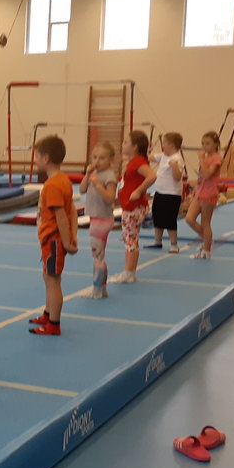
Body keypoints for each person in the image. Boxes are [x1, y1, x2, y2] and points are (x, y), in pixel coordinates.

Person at [28, 136, 78, 335]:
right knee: (47, 277)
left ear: (46, 158)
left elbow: (62, 217)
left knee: (53, 280)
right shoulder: (63, 180)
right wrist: (73, 235)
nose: (35, 161)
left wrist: (67, 242)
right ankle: (48, 313)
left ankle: (54, 324)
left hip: (54, 240)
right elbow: (72, 210)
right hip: (50, 239)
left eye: (37, 156)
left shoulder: (53, 185)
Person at [110, 130, 157, 284]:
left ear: (135, 147)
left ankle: (128, 272)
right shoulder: (134, 161)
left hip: (134, 207)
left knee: (130, 239)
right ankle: (130, 272)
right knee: (131, 239)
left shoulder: (138, 162)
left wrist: (138, 191)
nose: (122, 144)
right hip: (132, 205)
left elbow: (152, 176)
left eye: (126, 142)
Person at [78, 142, 118, 299]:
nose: (97, 161)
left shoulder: (109, 176)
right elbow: (81, 189)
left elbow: (110, 198)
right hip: (95, 218)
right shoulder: (94, 173)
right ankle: (102, 288)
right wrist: (88, 175)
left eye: (102, 158)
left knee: (97, 256)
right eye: (94, 157)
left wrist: (97, 184)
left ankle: (97, 290)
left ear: (110, 160)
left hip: (102, 220)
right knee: (99, 255)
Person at [186, 131, 224, 259]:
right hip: (200, 191)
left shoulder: (216, 159)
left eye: (207, 143)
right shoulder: (206, 158)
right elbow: (202, 176)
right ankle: (207, 240)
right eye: (203, 144)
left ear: (216, 145)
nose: (204, 146)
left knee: (205, 223)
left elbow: (208, 174)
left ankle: (206, 251)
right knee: (189, 219)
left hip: (209, 193)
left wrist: (201, 159)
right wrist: (195, 185)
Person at [147, 132, 185, 253]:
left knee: (170, 220)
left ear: (171, 145)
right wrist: (146, 150)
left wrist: (174, 166)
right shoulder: (163, 156)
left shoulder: (177, 159)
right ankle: (157, 241)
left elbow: (177, 177)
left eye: (164, 143)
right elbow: (149, 158)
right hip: (159, 192)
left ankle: (174, 244)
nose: (162, 145)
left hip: (172, 194)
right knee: (157, 217)